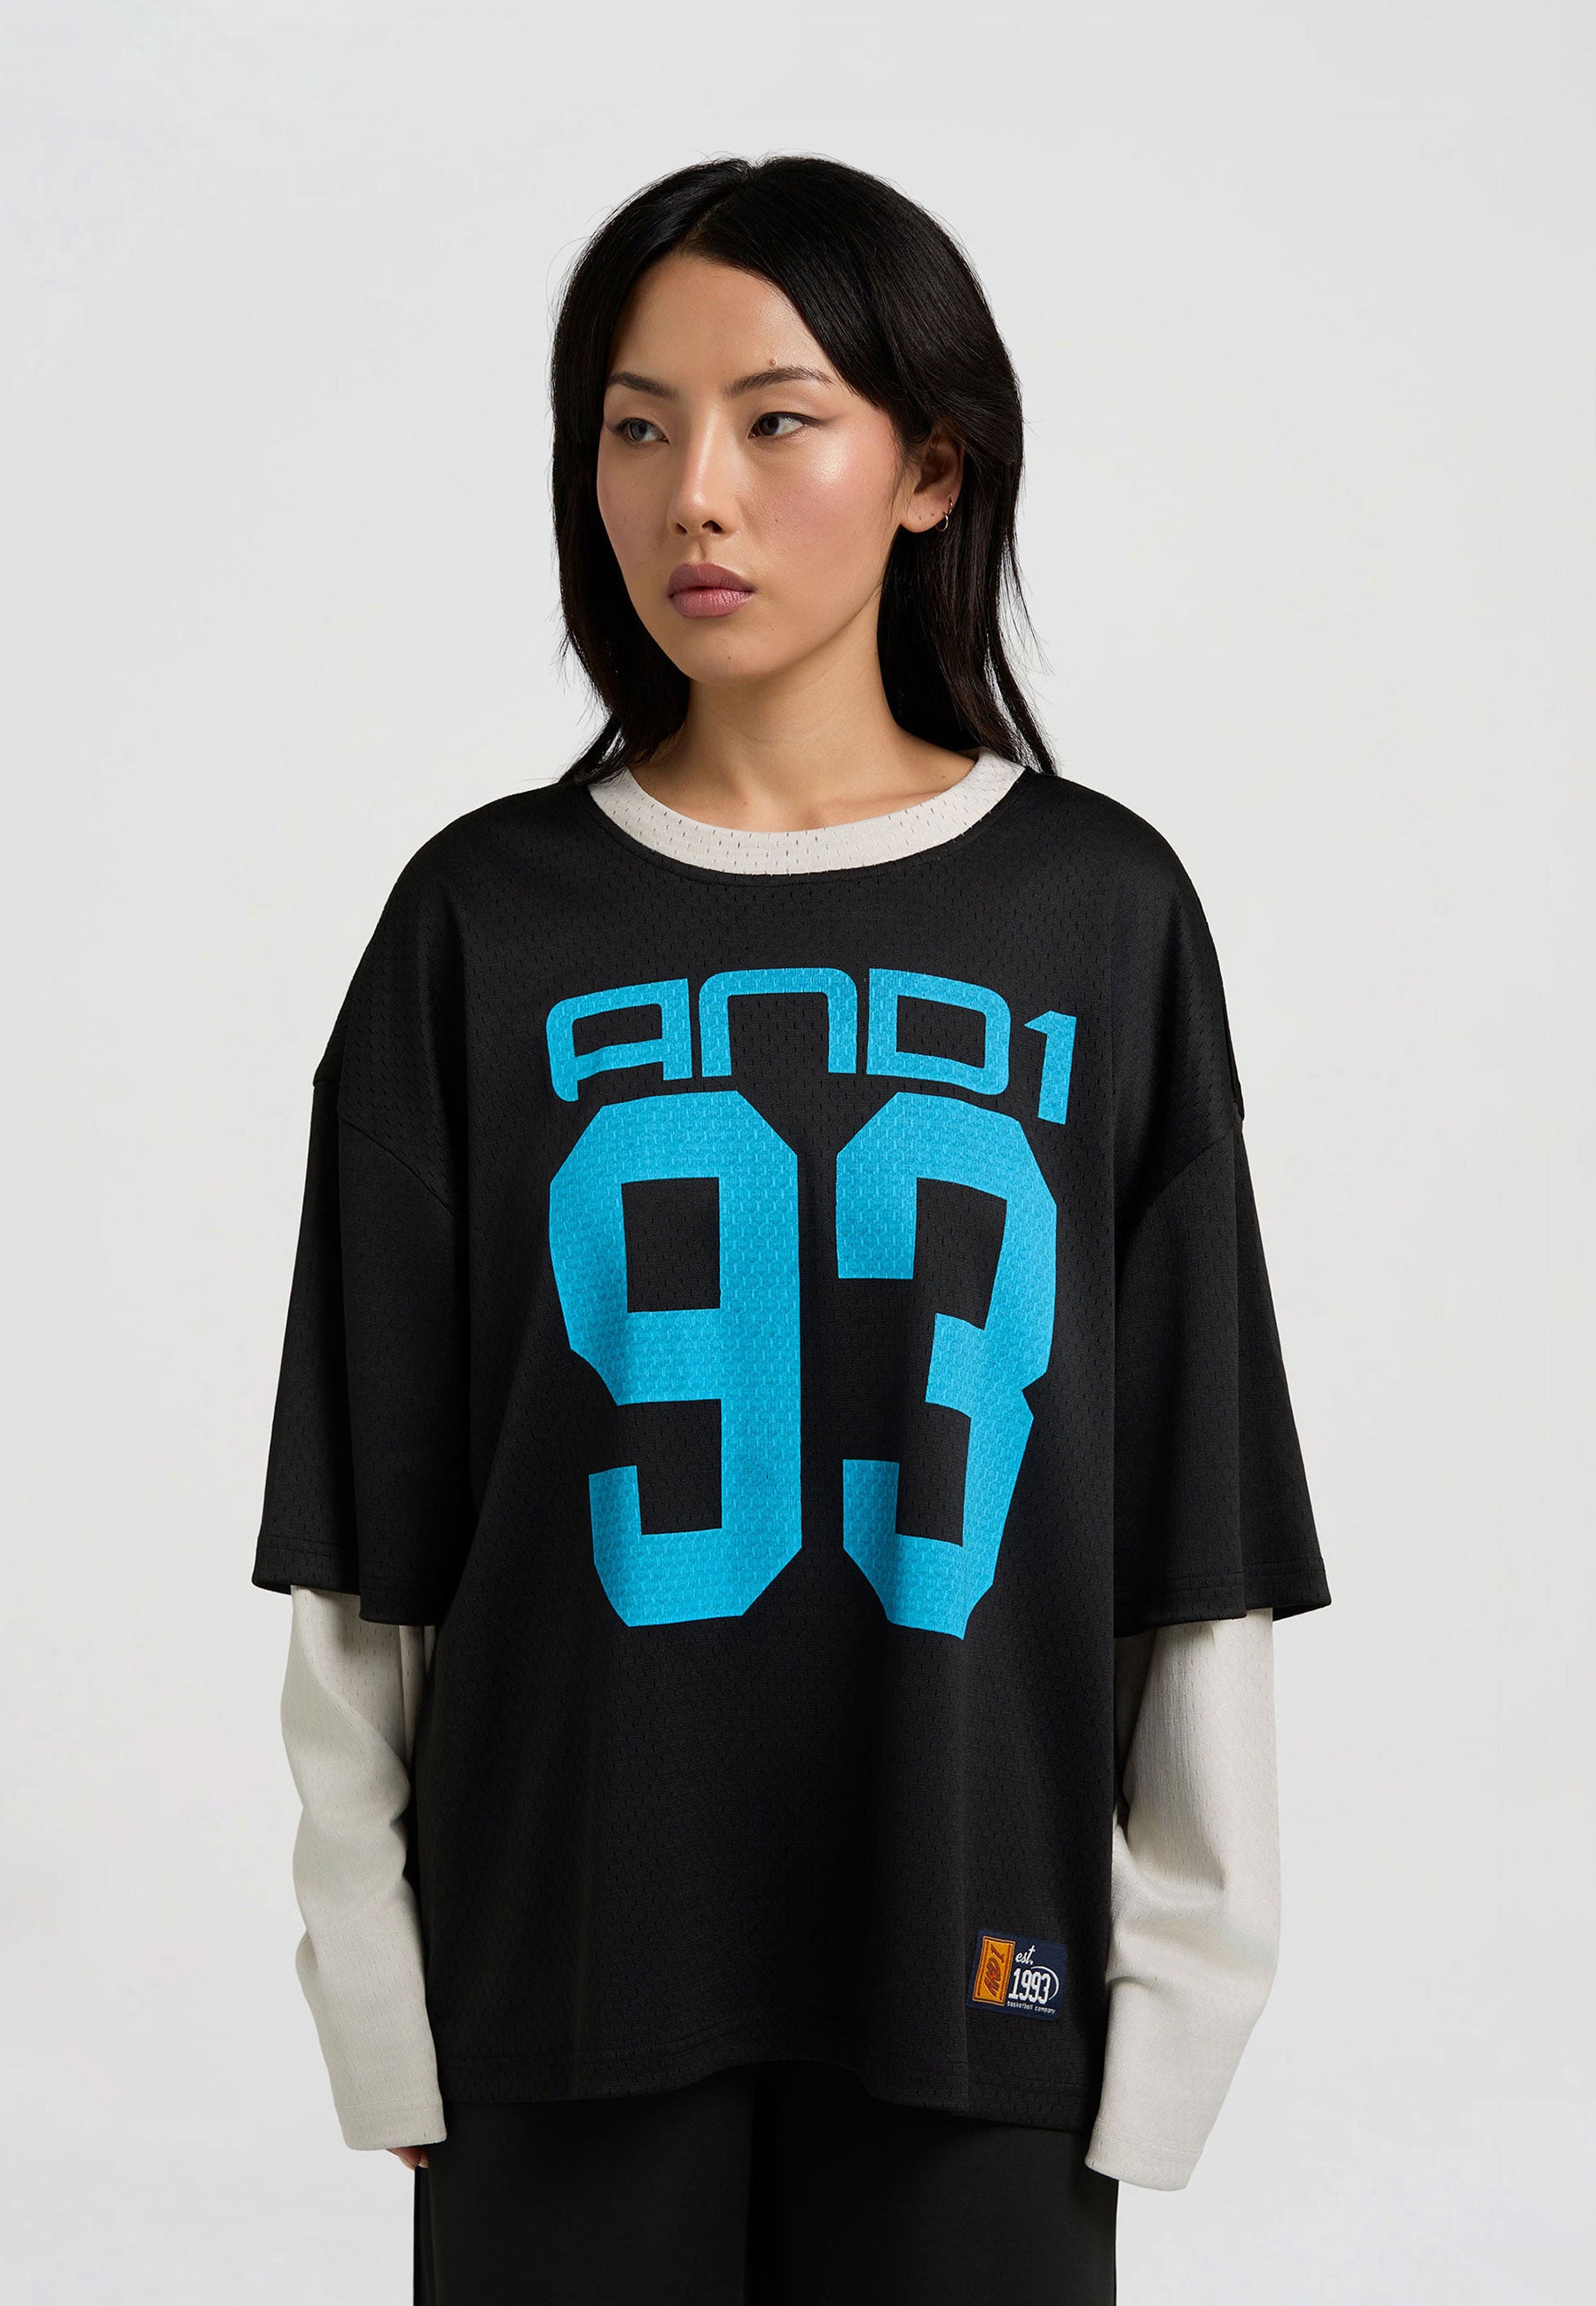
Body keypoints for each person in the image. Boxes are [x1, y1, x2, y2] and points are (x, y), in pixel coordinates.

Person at [252, 154, 1331, 2303]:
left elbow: (1186, 1506)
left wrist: (1184, 1988)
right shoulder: (477, 922)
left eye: (776, 420)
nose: (695, 497)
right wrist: (372, 1979)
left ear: (932, 466)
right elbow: (373, 1525)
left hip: (981, 1981)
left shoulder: (1102, 915)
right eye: (636, 425)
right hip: (553, 1983)